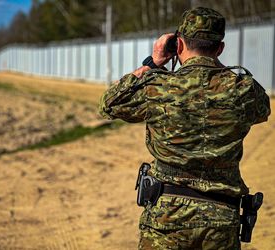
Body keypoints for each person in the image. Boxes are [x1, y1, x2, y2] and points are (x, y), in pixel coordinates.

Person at [99, 6, 271, 250]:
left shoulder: (158, 86)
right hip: (221, 221)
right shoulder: (242, 90)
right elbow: (263, 110)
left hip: (166, 219)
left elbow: (109, 104)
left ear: (177, 46)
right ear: (220, 48)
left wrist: (153, 62)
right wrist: (215, 66)